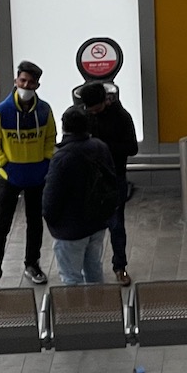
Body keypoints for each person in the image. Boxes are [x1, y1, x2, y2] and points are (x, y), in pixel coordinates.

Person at [0, 60, 56, 287]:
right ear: (16, 81)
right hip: (9, 179)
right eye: (22, 80)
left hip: (36, 179)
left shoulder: (44, 111)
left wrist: (45, 164)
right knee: (1, 226)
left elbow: (50, 139)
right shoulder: (1, 112)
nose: (26, 85)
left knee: (35, 223)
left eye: (31, 82)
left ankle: (32, 264)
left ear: (37, 85)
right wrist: (4, 165)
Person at [43, 106, 124, 286]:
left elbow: (51, 199)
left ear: (64, 128)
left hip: (70, 229)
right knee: (94, 270)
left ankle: (78, 313)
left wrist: (52, 221)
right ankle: (100, 310)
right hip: (97, 223)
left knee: (71, 277)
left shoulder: (62, 157)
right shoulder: (100, 147)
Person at [76, 80, 138, 286]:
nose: (91, 113)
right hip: (88, 178)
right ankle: (88, 268)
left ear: (105, 102)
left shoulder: (121, 117)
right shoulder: (84, 115)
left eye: (95, 109)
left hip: (113, 177)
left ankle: (120, 266)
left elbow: (131, 148)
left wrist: (101, 146)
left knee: (116, 224)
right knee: (88, 226)